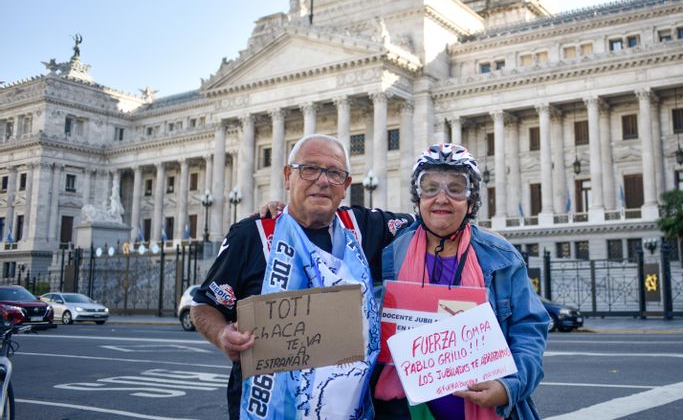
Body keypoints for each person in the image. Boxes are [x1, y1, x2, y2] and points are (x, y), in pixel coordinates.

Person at [191, 133, 413, 420]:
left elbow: (431, 223)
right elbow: (203, 305)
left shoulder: (363, 227)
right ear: (287, 176)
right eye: (309, 169)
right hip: (267, 409)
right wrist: (222, 335)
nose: (321, 180)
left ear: (346, 185)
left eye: (334, 173)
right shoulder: (252, 235)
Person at [373, 143, 549, 420]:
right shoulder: (391, 253)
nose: (441, 198)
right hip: (405, 412)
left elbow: (529, 330)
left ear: (471, 200)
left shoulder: (500, 256)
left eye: (455, 188)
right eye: (430, 187)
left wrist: (508, 387)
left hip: (489, 411)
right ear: (417, 197)